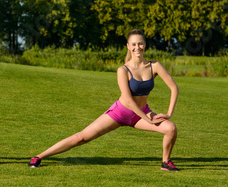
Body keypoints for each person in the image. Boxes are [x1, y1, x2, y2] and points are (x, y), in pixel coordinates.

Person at [28, 29, 180, 171]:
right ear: (128, 46)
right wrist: (148, 119)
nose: (137, 47)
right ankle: (39, 157)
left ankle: (165, 162)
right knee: (82, 137)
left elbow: (174, 88)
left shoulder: (155, 66)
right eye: (133, 44)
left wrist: (168, 113)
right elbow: (127, 100)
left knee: (170, 128)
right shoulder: (123, 70)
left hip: (141, 114)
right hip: (121, 113)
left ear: (145, 45)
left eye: (140, 43)